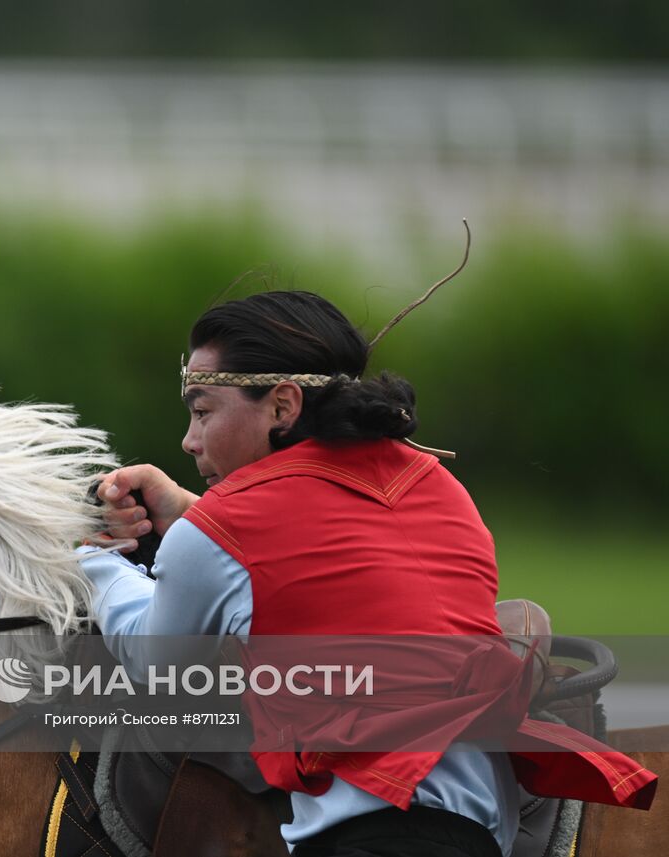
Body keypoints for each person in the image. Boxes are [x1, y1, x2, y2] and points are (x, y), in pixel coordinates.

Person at [79, 290, 655, 857]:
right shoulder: (439, 484)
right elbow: (320, 549)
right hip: (480, 832)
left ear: (283, 406)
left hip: (372, 838)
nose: (189, 439)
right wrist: (188, 514)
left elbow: (156, 659)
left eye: (203, 412)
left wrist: (91, 558)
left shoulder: (217, 532)